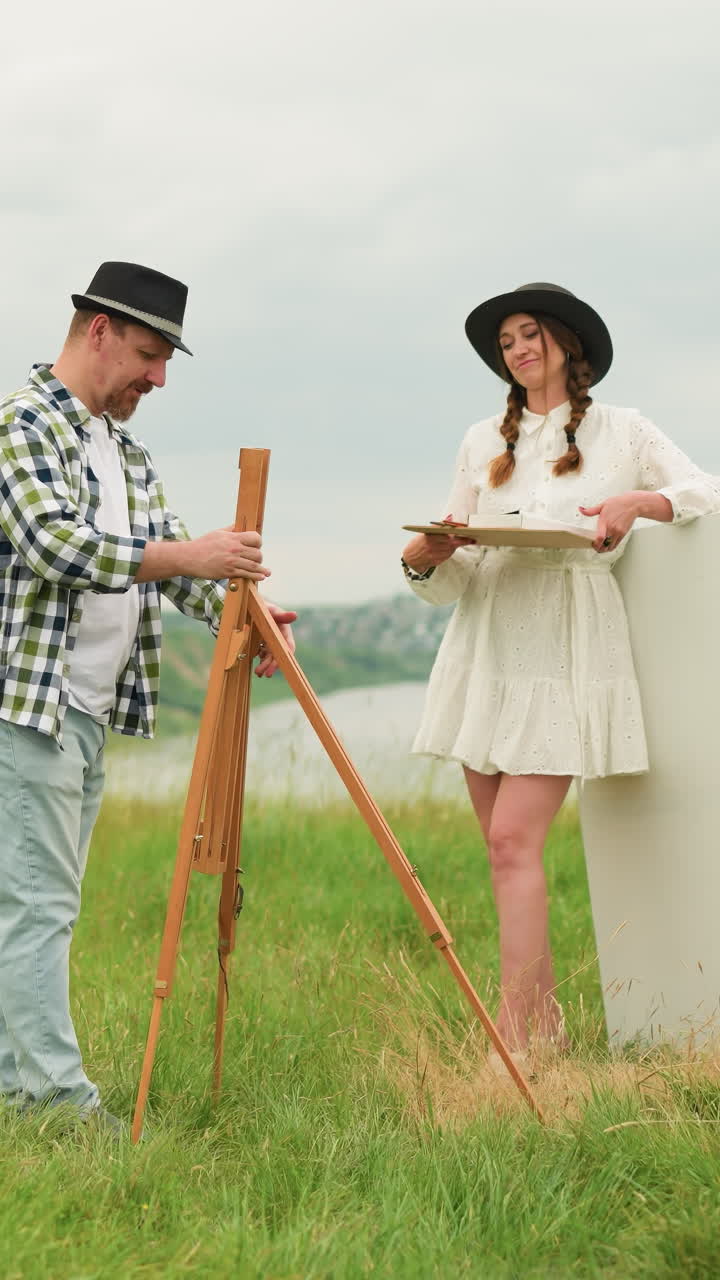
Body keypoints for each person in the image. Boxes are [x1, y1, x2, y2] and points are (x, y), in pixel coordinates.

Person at [0, 261, 295, 1128]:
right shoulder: (22, 425)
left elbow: (174, 562)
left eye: (165, 359)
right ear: (97, 331)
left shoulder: (124, 449)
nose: (158, 378)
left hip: (85, 714)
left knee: (34, 899)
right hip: (29, 709)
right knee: (40, 903)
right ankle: (56, 1101)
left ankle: (18, 1087)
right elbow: (57, 547)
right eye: (148, 353)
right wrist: (191, 559)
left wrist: (244, 609)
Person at [401, 282, 720, 1055]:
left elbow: (703, 490)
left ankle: (518, 1033)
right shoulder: (483, 440)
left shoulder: (624, 429)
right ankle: (542, 1028)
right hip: (488, 643)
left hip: (569, 643)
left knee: (514, 842)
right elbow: (454, 570)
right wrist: (424, 558)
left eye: (531, 332)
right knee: (503, 850)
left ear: (568, 345)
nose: (518, 347)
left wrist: (635, 505)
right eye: (507, 339)